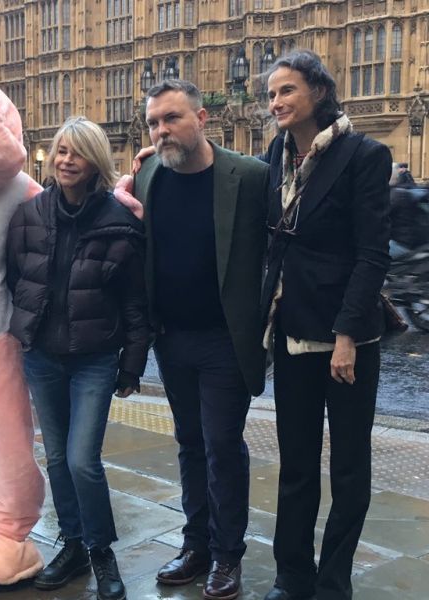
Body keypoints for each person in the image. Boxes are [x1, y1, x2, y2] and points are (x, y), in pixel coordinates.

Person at [130, 79, 269, 600]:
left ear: (202, 118)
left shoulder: (249, 176)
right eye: (154, 122)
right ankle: (197, 546)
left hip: (224, 340)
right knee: (189, 444)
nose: (162, 130)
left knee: (221, 447)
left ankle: (228, 555)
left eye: (171, 118)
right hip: (171, 337)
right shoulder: (148, 174)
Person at [261, 51, 391, 600]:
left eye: (287, 90)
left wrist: (346, 336)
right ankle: (292, 575)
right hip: (292, 329)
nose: (276, 103)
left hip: (346, 339)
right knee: (295, 465)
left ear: (318, 90)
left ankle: (333, 581)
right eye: (271, 95)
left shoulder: (365, 154)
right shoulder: (277, 153)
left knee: (348, 469)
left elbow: (372, 254)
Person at [7, 116, 151, 600]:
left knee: (81, 459)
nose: (66, 161)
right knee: (56, 458)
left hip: (93, 358)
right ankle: (72, 544)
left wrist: (132, 364)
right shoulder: (30, 215)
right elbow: (15, 279)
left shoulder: (119, 220)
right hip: (42, 357)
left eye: (77, 153)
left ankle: (101, 550)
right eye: (60, 151)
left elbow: (135, 303)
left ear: (95, 163)